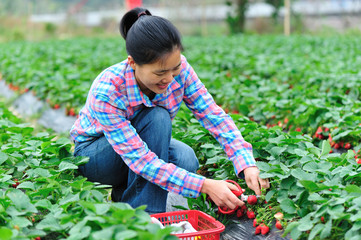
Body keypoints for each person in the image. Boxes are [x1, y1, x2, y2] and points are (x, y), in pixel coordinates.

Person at [70, 7, 269, 214]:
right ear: (133, 63)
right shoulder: (108, 90)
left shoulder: (180, 70)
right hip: (95, 158)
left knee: (186, 160)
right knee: (157, 117)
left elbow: (213, 114)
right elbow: (141, 160)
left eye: (175, 69)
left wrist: (246, 163)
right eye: (160, 72)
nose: (170, 79)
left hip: (133, 149)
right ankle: (146, 218)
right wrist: (205, 185)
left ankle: (126, 199)